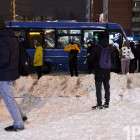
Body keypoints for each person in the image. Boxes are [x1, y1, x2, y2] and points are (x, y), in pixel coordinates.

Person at [0, 18, 27, 132]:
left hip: (4, 75)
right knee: (9, 97)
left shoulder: (2, 40)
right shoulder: (11, 37)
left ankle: (18, 124)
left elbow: (3, 59)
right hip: (10, 72)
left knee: (8, 99)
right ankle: (21, 116)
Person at [87, 32, 111, 109]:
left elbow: (90, 59)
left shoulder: (96, 47)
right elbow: (113, 59)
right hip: (107, 70)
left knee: (98, 87)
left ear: (99, 38)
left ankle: (99, 105)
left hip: (98, 69)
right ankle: (107, 103)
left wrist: (88, 56)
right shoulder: (109, 47)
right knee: (107, 86)